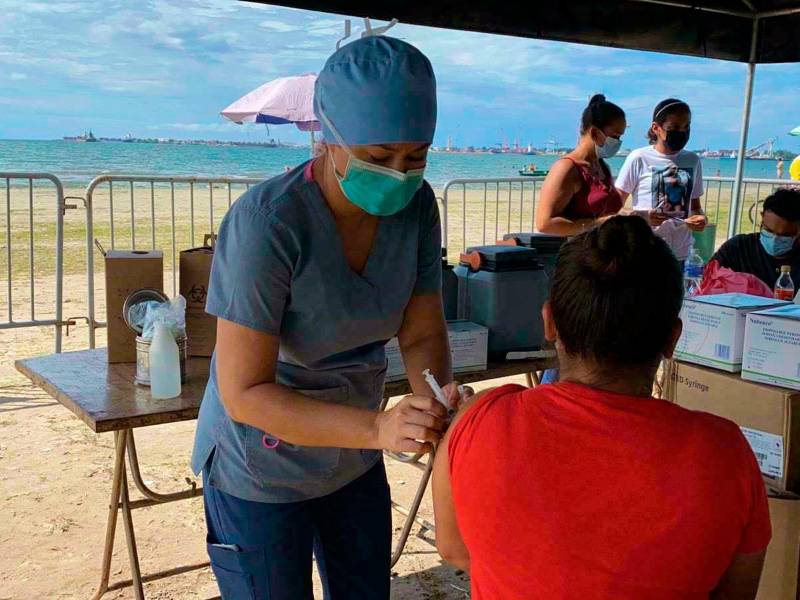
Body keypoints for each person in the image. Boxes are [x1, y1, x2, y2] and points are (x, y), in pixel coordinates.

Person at [191, 36, 458, 600]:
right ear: (329, 139)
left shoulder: (418, 207)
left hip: (353, 457)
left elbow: (422, 329)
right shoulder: (268, 224)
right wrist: (378, 428)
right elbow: (245, 392)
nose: (399, 175)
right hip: (261, 465)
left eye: (416, 158)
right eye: (379, 157)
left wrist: (435, 397)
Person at [433, 216, 771, 600]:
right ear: (673, 339)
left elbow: (454, 548)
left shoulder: (480, 419)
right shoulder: (723, 451)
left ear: (549, 323)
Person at [616, 98, 708, 263]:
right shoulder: (639, 158)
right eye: (673, 128)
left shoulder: (692, 160)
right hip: (644, 251)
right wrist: (642, 217)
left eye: (686, 127)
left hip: (680, 254)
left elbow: (695, 208)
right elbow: (614, 208)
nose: (682, 133)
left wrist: (700, 219)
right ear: (656, 128)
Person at [535, 94, 625, 236]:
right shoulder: (567, 168)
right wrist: (599, 224)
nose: (618, 142)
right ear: (595, 132)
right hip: (581, 254)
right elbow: (545, 224)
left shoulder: (602, 166)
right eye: (615, 136)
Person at [712, 188, 800, 288]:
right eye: (769, 231)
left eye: (784, 235)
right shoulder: (738, 248)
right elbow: (707, 279)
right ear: (762, 217)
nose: (774, 240)